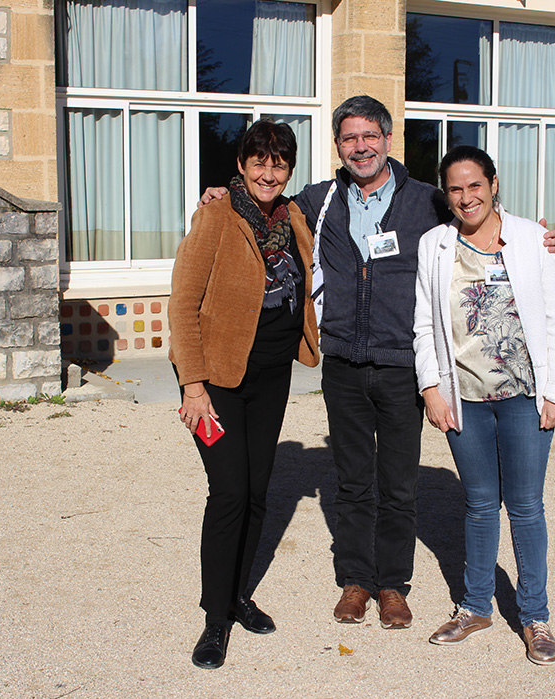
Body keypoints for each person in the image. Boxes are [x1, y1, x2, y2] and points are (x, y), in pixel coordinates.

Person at [199, 96, 555, 631]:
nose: (360, 146)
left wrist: (537, 240)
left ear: (388, 140)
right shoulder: (318, 200)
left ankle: (393, 584)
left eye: (370, 135)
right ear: (338, 146)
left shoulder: (427, 200)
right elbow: (263, 198)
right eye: (349, 138)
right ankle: (356, 581)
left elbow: (478, 215)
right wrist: (221, 193)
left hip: (400, 365)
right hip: (343, 363)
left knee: (398, 484)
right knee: (351, 482)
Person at [412, 145, 555, 665]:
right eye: (455, 189)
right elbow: (424, 324)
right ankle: (476, 606)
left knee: (526, 507)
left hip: (525, 397)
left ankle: (535, 616)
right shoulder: (435, 245)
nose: (466, 198)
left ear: (493, 184)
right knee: (480, 505)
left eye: (475, 186)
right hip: (465, 399)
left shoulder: (531, 239)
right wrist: (431, 388)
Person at [168, 119, 319, 669]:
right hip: (218, 381)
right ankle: (215, 618)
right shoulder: (217, 214)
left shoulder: (294, 216)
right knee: (229, 492)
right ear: (241, 164)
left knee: (257, 493)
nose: (268, 174)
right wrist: (192, 385)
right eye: (259, 163)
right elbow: (183, 303)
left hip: (272, 375)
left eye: (279, 165)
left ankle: (237, 597)